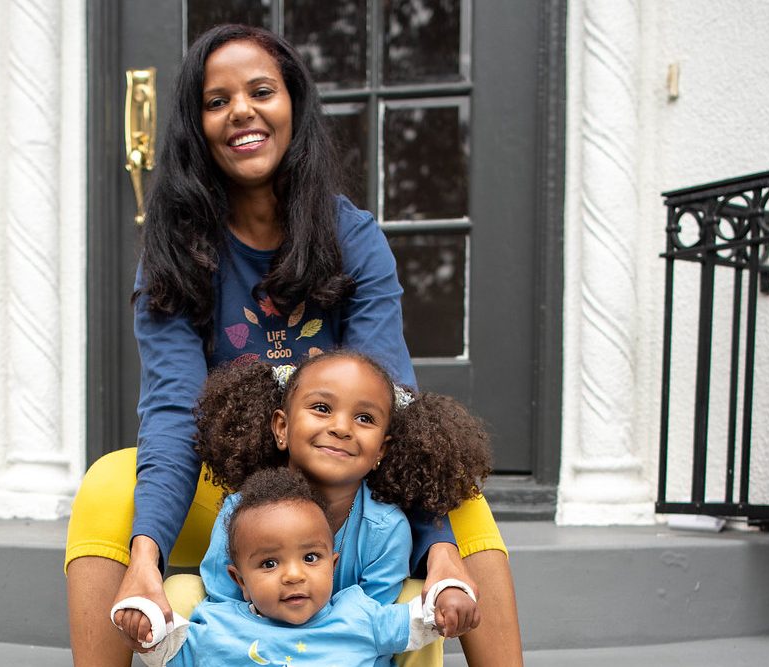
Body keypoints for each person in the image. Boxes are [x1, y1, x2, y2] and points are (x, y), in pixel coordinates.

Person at [65, 23, 522, 667]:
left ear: (294, 106)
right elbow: (172, 414)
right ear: (196, 126)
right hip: (232, 489)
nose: (242, 112)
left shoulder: (352, 238)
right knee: (108, 484)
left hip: (342, 490)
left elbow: (392, 402)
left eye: (261, 91)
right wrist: (145, 559)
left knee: (459, 498)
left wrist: (439, 548)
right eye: (216, 101)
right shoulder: (176, 252)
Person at [189, 350, 491, 665]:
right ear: (282, 427)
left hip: (344, 656)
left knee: (415, 598)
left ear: (381, 450)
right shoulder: (243, 510)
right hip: (253, 651)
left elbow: (371, 631)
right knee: (183, 590)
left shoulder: (386, 529)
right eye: (322, 408)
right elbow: (224, 611)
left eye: (365, 418)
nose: (342, 428)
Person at [117, 468, 466, 667]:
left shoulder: (359, 615)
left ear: (333, 566)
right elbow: (161, 645)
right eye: (269, 563)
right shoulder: (218, 625)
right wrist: (142, 618)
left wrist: (449, 597)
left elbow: (424, 620)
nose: (294, 575)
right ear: (240, 580)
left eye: (311, 558)